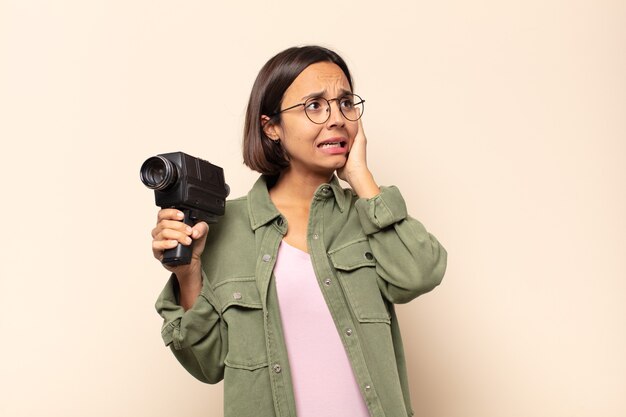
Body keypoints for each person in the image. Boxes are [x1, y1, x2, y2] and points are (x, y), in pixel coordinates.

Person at [151, 45, 447, 417]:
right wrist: (188, 274)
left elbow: (420, 274)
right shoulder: (224, 228)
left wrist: (361, 178)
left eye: (345, 103)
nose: (337, 118)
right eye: (315, 105)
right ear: (271, 126)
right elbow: (207, 365)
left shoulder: (367, 215)